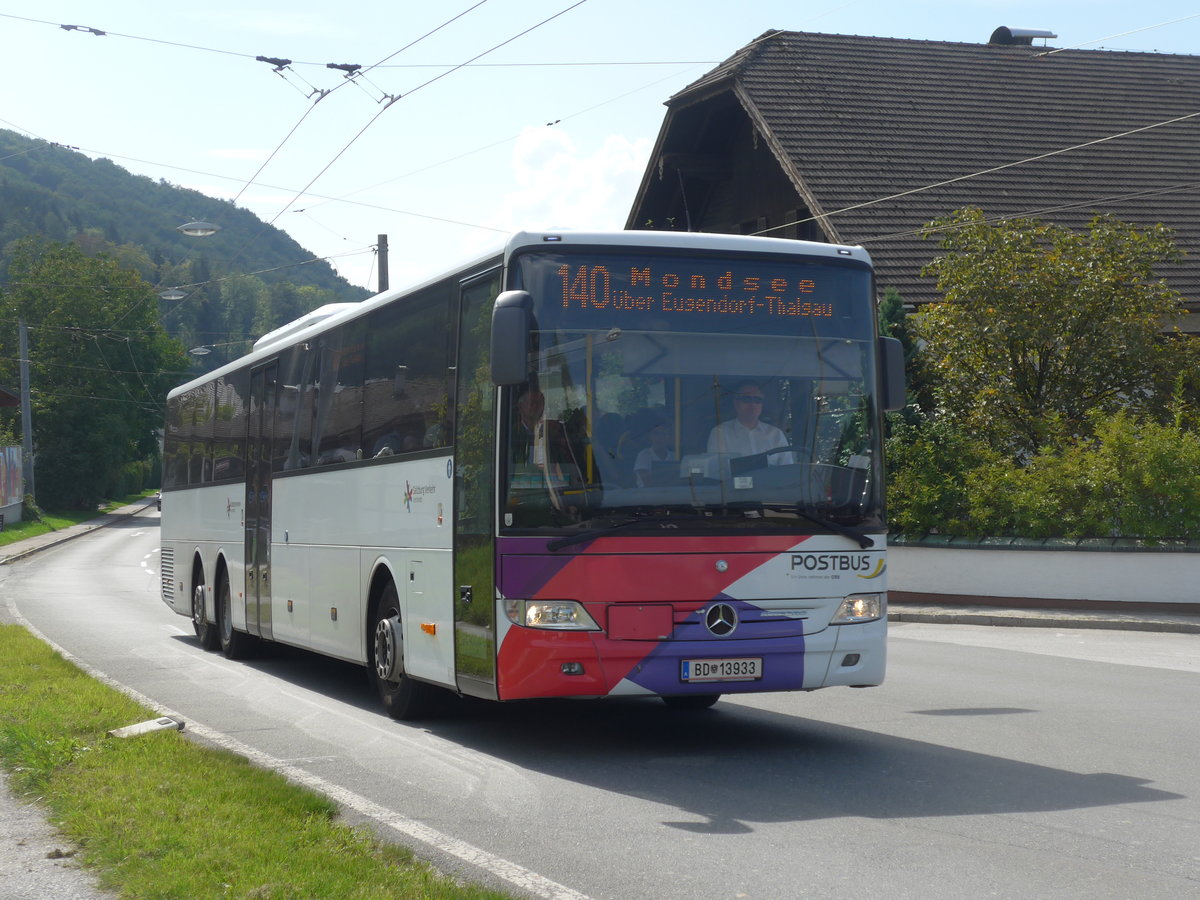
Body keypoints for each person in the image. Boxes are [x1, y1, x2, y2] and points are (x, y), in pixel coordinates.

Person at [707, 380, 793, 464]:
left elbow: (787, 471)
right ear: (736, 403)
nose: (752, 405)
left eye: (757, 400)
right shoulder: (720, 433)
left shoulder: (776, 435)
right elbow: (716, 471)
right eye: (746, 399)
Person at [633, 419, 674, 486]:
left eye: (663, 433)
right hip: (648, 495)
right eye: (656, 433)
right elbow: (648, 484)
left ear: (669, 437)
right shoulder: (644, 455)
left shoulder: (674, 456)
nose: (659, 437)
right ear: (650, 436)